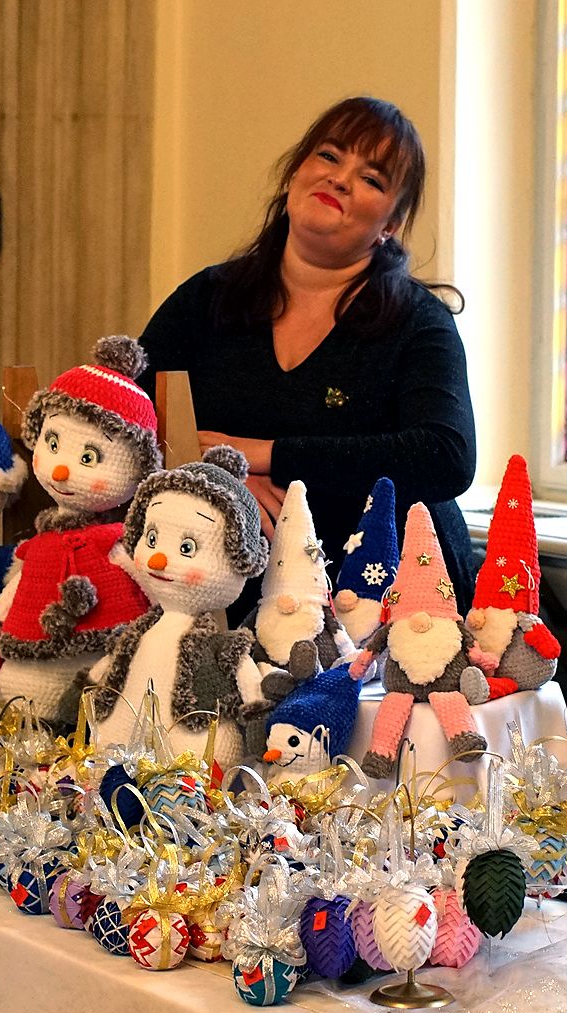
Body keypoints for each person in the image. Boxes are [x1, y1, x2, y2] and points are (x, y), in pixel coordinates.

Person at [139, 96, 477, 622]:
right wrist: (222, 475)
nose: (340, 179)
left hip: (384, 604)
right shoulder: (207, 299)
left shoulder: (418, 321)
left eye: (371, 179)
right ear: (294, 173)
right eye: (328, 156)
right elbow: (128, 417)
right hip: (219, 590)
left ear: (390, 224)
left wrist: (264, 454)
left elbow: (445, 456)